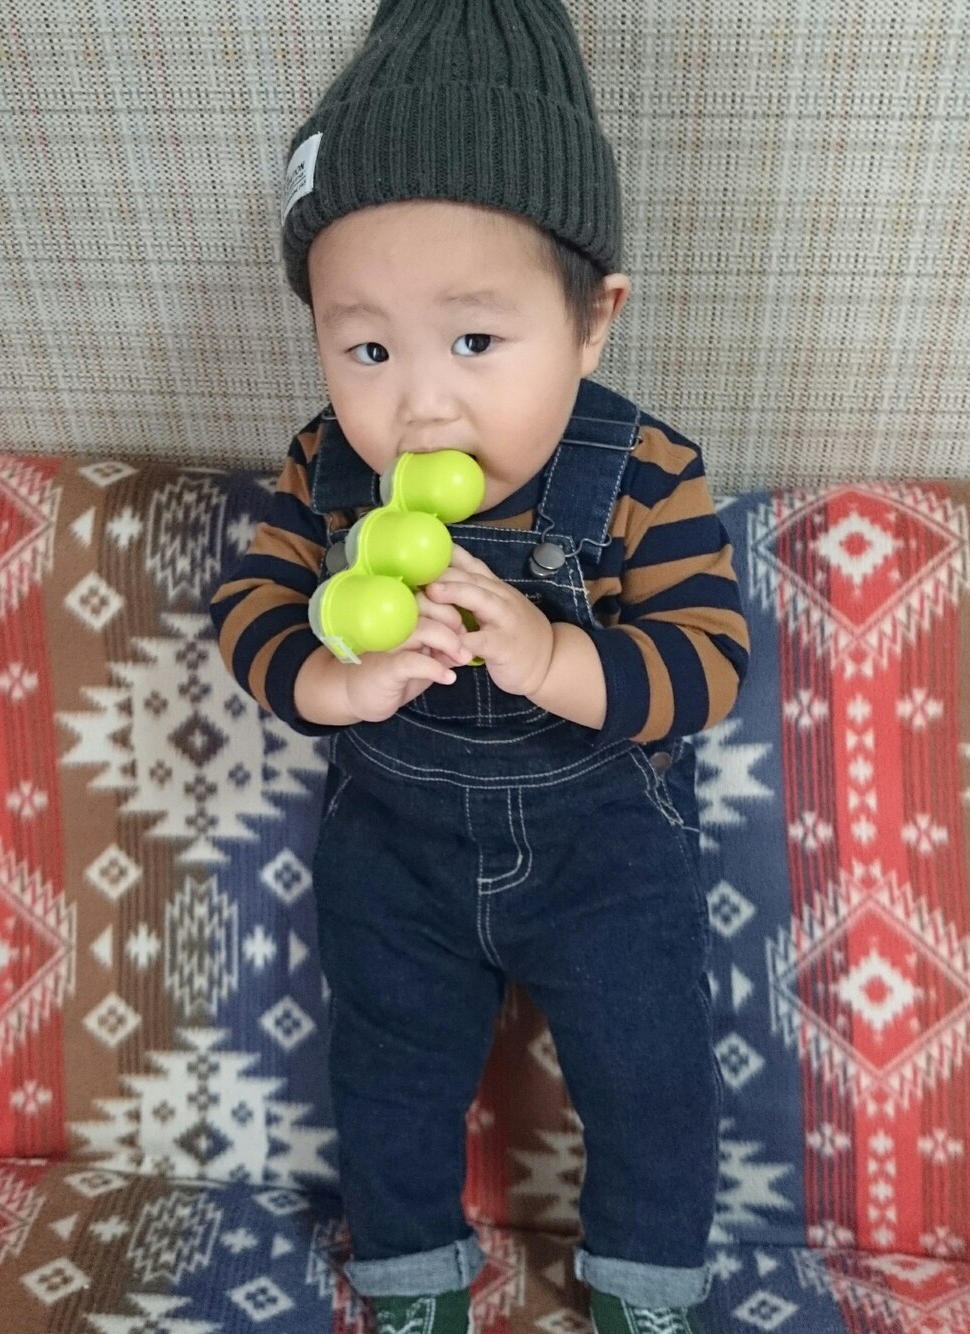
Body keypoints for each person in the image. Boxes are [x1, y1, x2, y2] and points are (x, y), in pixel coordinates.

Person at [211, 2, 750, 1330]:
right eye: (367, 348)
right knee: (389, 1068)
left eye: (475, 341)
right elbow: (251, 611)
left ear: (592, 320)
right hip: (395, 850)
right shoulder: (327, 470)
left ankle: (645, 1279)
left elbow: (706, 667)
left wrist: (552, 652)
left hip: (605, 855)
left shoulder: (643, 473)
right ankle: (409, 1271)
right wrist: (335, 680)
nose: (420, 405)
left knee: (652, 1070)